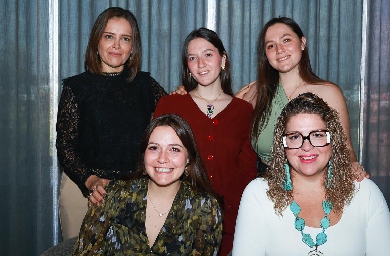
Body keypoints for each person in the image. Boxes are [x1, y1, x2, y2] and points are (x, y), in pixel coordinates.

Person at [232, 93, 390, 255]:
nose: (306, 147)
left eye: (318, 135)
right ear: (282, 144)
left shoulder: (365, 193)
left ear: (333, 139)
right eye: (295, 136)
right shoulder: (258, 194)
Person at [56, 7, 167, 240]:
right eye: (109, 36)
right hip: (83, 192)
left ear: (132, 47)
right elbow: (65, 146)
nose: (116, 45)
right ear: (96, 42)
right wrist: (90, 180)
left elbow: (176, 120)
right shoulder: (75, 88)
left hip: (135, 193)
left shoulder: (147, 85)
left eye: (125, 39)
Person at [153, 28, 257, 255]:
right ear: (187, 66)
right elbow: (154, 161)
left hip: (229, 225)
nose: (201, 63)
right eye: (192, 58)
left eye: (208, 54)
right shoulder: (170, 105)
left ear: (223, 59)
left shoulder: (243, 110)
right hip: (177, 222)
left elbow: (247, 171)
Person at [235, 17, 367, 180]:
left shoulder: (329, 93)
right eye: (271, 46)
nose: (279, 49)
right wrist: (233, 105)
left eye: (286, 40)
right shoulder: (256, 93)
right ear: (266, 55)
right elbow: (226, 143)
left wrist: (353, 166)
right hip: (267, 190)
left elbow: (345, 148)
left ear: (302, 43)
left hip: (318, 189)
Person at [73, 114, 223, 255]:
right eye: (154, 148)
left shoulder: (206, 208)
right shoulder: (111, 196)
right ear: (144, 155)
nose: (162, 158)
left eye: (174, 149)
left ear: (188, 159)